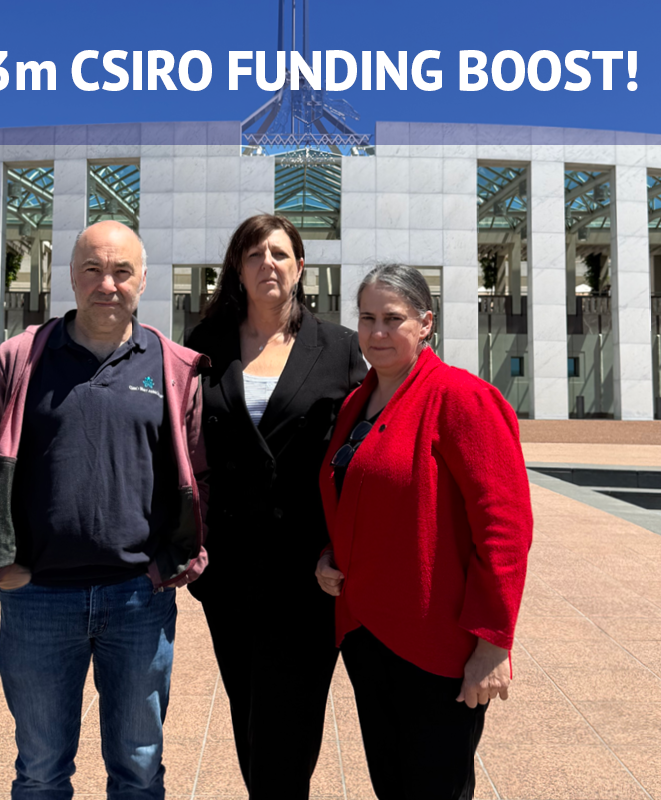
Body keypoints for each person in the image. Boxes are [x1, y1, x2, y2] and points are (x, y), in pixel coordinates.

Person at [0, 220, 209, 800]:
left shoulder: (172, 366)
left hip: (137, 598)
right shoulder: (21, 358)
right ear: (71, 276)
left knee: (140, 769)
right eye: (93, 269)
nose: (107, 284)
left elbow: (199, 474)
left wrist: (178, 560)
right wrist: (1, 562)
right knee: (41, 771)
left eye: (122, 271)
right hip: (38, 599)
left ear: (142, 280)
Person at [316, 263, 533, 800]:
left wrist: (492, 643)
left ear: (426, 323)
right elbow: (356, 494)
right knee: (392, 786)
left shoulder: (462, 398)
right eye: (367, 318)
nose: (378, 332)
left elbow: (505, 528)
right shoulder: (357, 402)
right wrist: (330, 553)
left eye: (393, 318)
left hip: (436, 646)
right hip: (369, 634)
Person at [185, 214, 366, 799]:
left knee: (291, 720)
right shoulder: (204, 344)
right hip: (229, 569)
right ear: (237, 269)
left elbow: (364, 446)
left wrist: (344, 543)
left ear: (301, 267)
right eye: (254, 254)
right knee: (248, 711)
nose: (268, 263)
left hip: (307, 569)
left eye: (281, 254)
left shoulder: (339, 347)